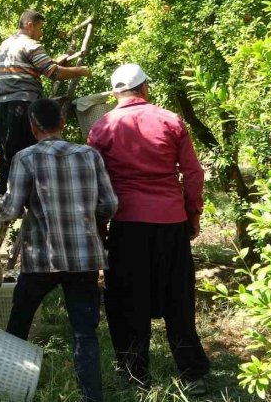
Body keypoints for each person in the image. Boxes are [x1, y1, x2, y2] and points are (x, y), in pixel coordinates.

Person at [0, 98, 118, 402]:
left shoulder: (25, 158)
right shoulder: (89, 155)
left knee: (18, 324)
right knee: (84, 332)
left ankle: (7, 389)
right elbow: (110, 205)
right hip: (84, 258)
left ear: (33, 127)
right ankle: (92, 398)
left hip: (41, 259)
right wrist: (88, 222)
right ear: (62, 123)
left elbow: (11, 209)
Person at [87, 64, 211, 394]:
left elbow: (95, 186)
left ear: (115, 93)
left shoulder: (102, 127)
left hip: (127, 224)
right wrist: (192, 215)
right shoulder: (171, 120)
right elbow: (193, 174)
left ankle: (135, 372)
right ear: (144, 89)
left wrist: (100, 227)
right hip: (171, 222)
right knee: (178, 297)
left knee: (128, 298)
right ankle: (192, 372)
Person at [0, 9, 91, 193]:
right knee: (31, 154)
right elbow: (53, 73)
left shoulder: (6, 45)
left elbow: (31, 67)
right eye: (40, 28)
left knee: (8, 154)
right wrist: (80, 71)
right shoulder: (31, 45)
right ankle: (36, 198)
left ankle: (4, 200)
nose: (41, 34)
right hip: (23, 105)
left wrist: (54, 62)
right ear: (29, 26)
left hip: (3, 105)